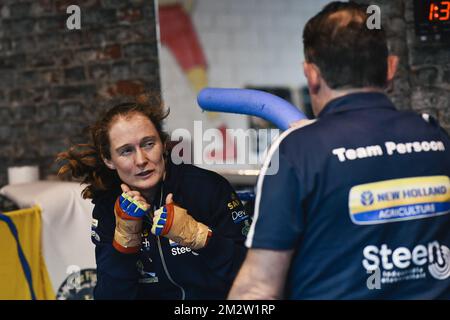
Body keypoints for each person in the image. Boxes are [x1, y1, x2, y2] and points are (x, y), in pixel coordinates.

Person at [228, 1, 450, 299]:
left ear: (312, 75)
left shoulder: (296, 151)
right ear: (391, 69)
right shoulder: (437, 139)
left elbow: (258, 287)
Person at [58, 94, 251, 299]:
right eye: (126, 151)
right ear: (109, 160)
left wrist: (200, 237)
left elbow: (255, 275)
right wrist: (124, 243)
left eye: (148, 144)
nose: (141, 160)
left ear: (163, 144)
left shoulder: (206, 188)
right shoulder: (108, 207)